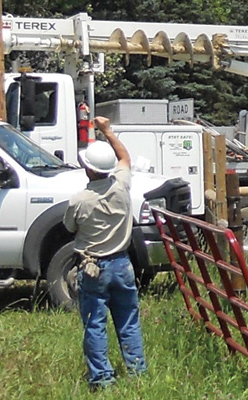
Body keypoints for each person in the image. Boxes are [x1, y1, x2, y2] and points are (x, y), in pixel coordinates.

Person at [63, 116, 147, 390]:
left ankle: (101, 378)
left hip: (93, 267)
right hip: (123, 264)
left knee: (95, 324)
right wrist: (107, 130)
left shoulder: (80, 200)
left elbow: (69, 226)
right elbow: (125, 158)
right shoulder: (121, 186)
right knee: (129, 321)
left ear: (86, 168)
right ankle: (137, 374)